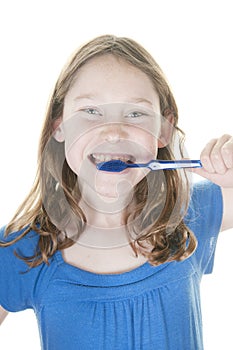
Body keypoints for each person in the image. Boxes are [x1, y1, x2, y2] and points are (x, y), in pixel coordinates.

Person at [0, 34, 232, 350]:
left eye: (135, 113)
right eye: (91, 111)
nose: (112, 132)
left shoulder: (190, 214)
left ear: (163, 131)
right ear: (59, 126)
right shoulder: (22, 248)